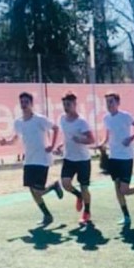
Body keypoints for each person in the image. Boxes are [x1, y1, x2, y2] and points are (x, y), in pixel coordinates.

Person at [0, 91, 61, 227]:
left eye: (26, 102)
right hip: (29, 160)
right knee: (32, 190)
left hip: (42, 159)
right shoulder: (18, 122)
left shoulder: (40, 119)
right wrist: (6, 142)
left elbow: (56, 128)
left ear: (31, 104)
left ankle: (54, 186)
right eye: (22, 102)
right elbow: (15, 139)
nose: (24, 104)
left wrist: (52, 146)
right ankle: (47, 215)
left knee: (38, 190)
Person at [100, 93, 134, 229]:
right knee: (117, 189)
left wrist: (131, 138)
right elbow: (107, 136)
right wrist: (102, 144)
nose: (109, 104)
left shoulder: (125, 116)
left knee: (124, 189)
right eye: (107, 102)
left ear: (118, 103)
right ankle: (126, 216)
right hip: (113, 157)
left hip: (126, 157)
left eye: (111, 101)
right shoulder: (106, 118)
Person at [57, 92, 96, 224]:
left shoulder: (81, 122)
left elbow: (91, 139)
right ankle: (78, 195)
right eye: (64, 104)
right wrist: (61, 145)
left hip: (83, 160)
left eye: (68, 104)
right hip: (69, 158)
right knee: (65, 184)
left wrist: (80, 139)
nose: (66, 107)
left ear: (75, 104)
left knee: (84, 187)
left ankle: (87, 212)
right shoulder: (62, 118)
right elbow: (67, 136)